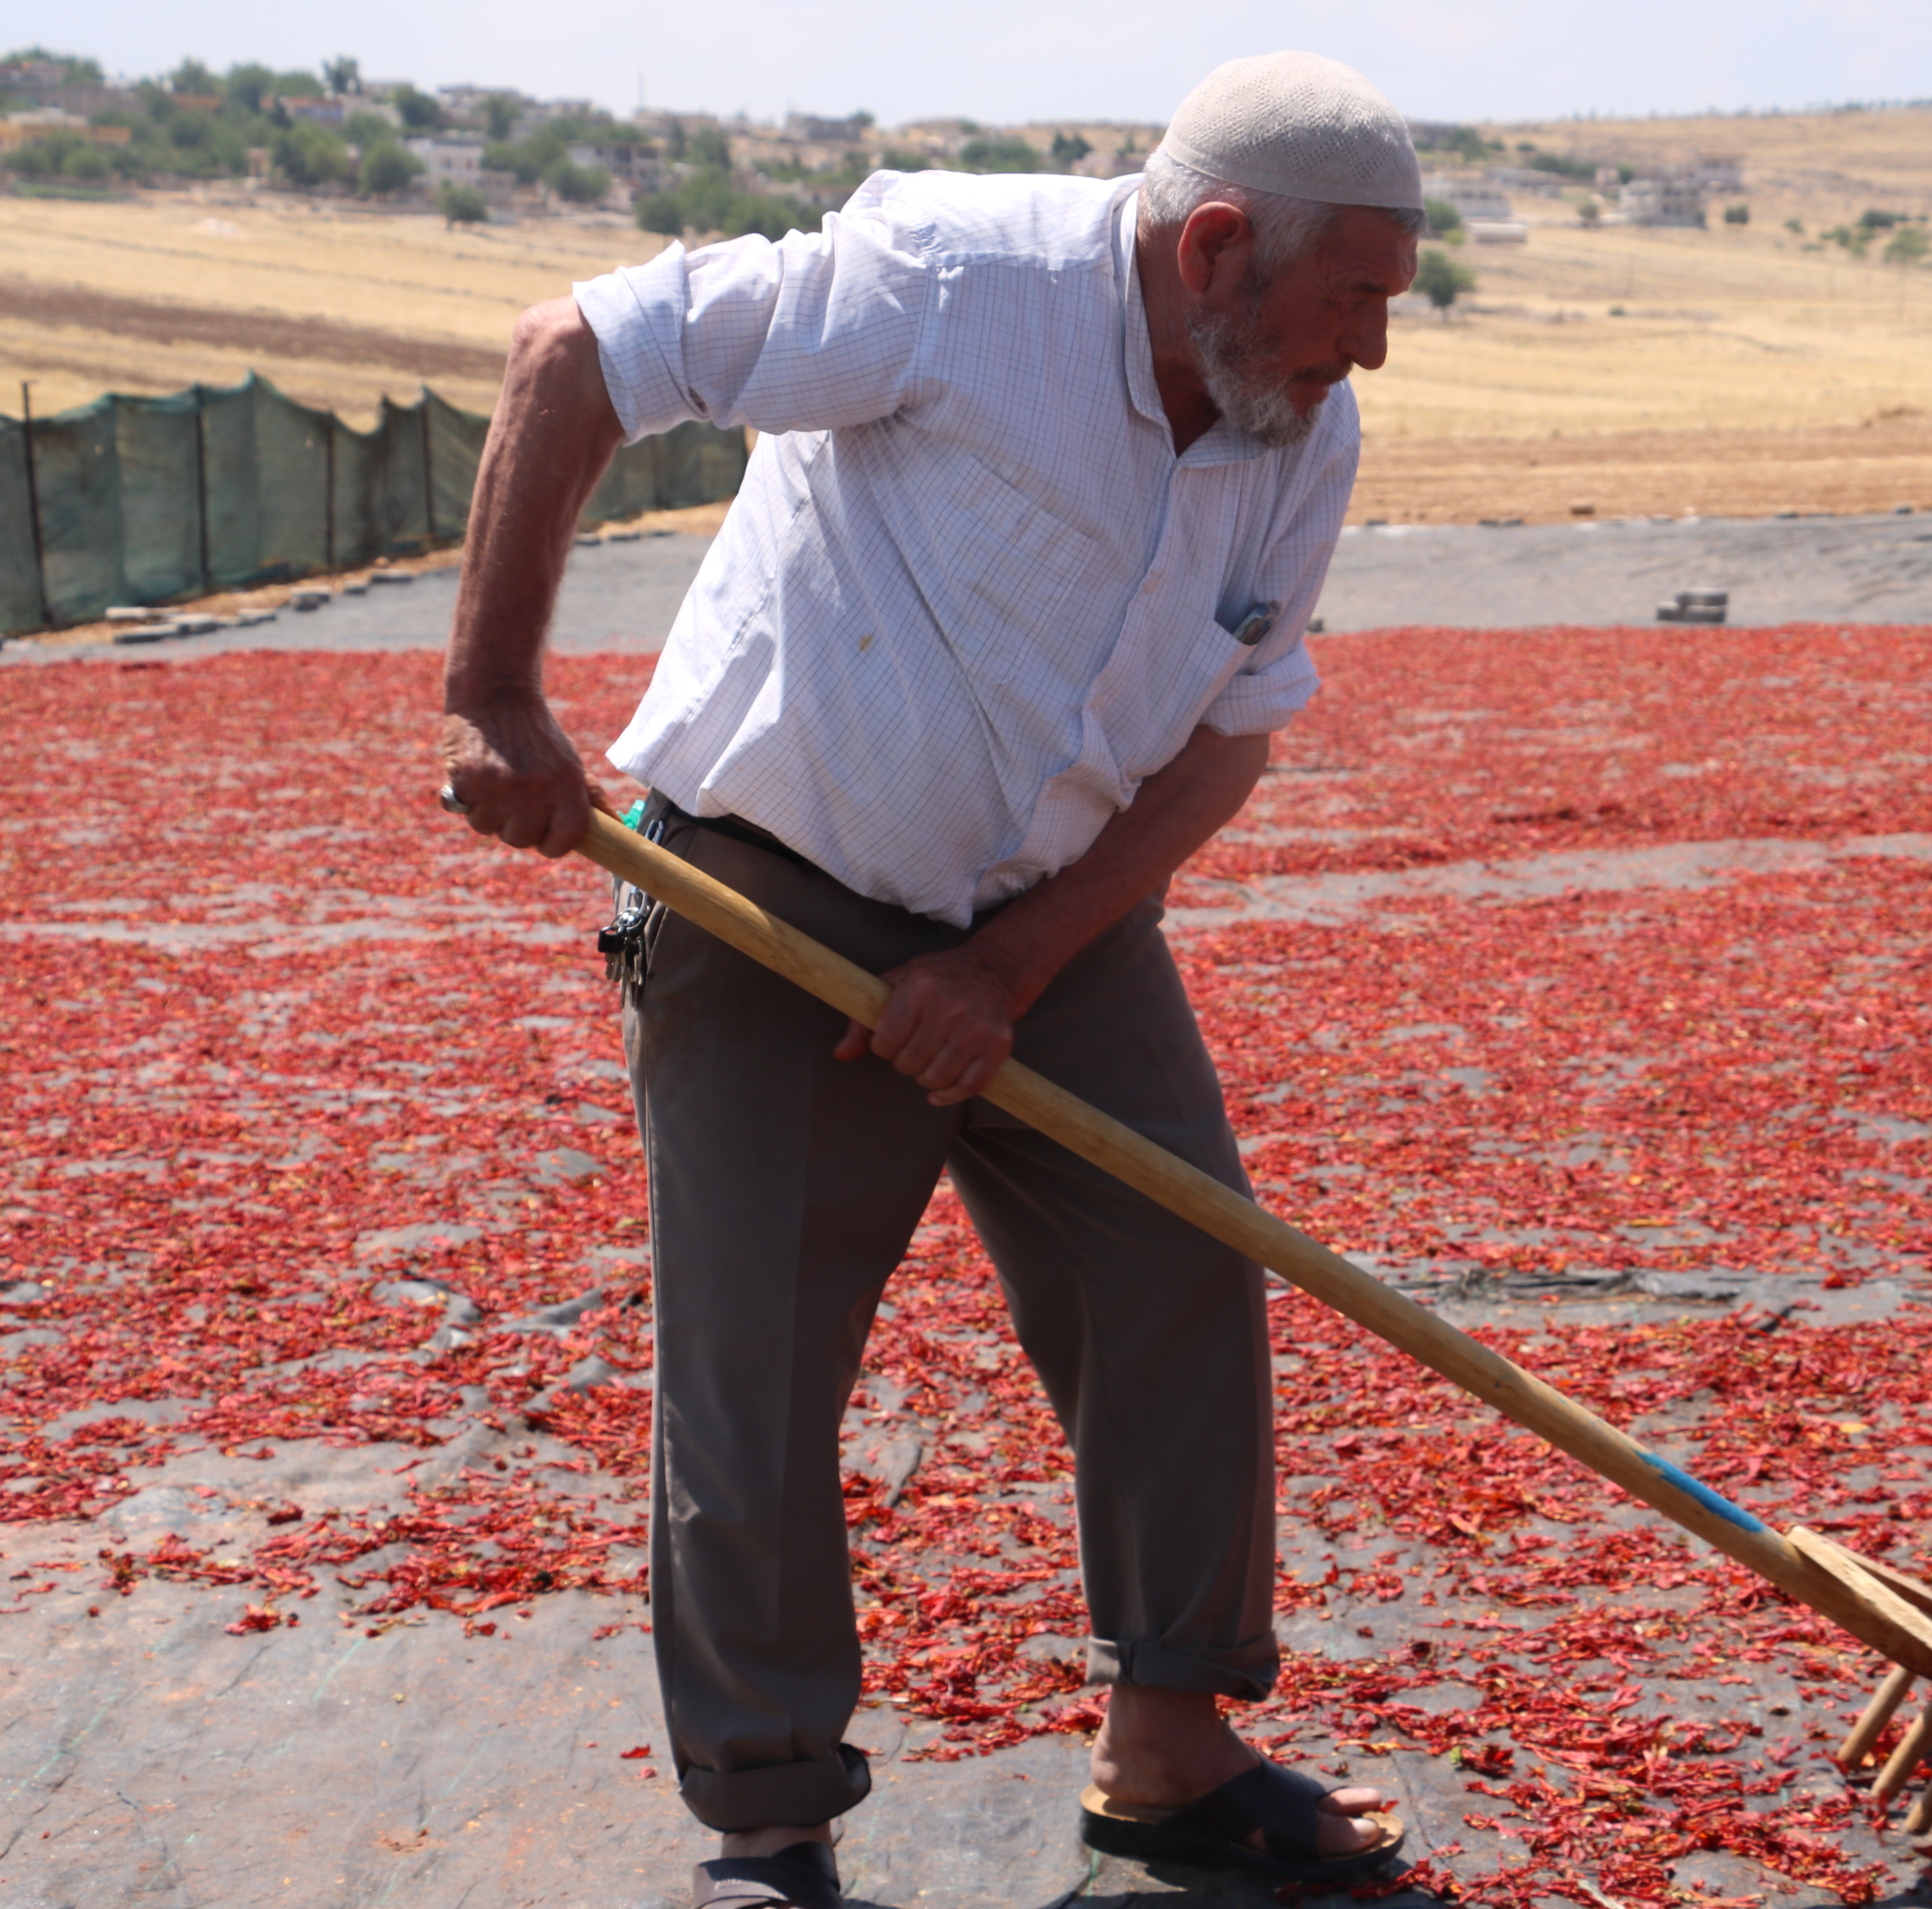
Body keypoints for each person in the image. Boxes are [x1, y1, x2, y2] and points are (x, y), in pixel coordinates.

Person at [434, 51, 1425, 1909]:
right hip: (770, 891)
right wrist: (496, 693)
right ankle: (767, 1819)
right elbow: (574, 350)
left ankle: (1170, 1748)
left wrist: (1019, 959)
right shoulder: (953, 284)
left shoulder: (1295, 426)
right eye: (1352, 295)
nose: (1369, 347)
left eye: (1390, 299)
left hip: (1053, 908)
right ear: (1216, 246)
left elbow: (1227, 737)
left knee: (1180, 1258)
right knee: (758, 1357)